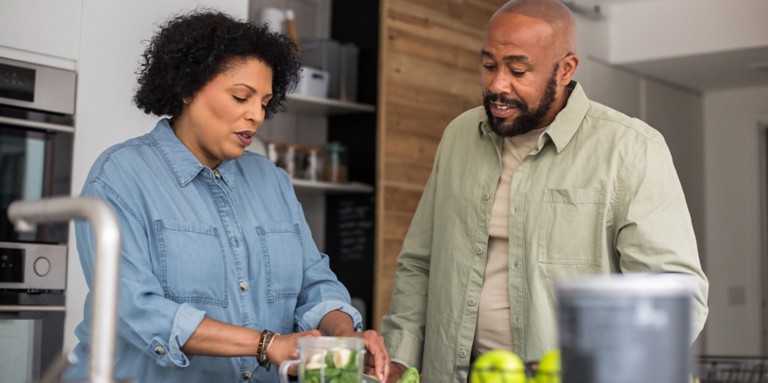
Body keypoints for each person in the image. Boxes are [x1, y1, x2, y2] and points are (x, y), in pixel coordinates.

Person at [380, 0, 709, 382]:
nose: (498, 85)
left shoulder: (630, 149)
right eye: (489, 66)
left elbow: (674, 293)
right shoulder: (459, 137)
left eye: (518, 70)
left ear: (566, 69)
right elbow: (420, 263)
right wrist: (401, 355)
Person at [64, 10, 389, 383]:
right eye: (241, 97)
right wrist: (265, 343)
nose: (256, 115)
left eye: (265, 103)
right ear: (187, 87)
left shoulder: (272, 181)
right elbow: (133, 308)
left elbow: (314, 282)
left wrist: (343, 335)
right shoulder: (120, 176)